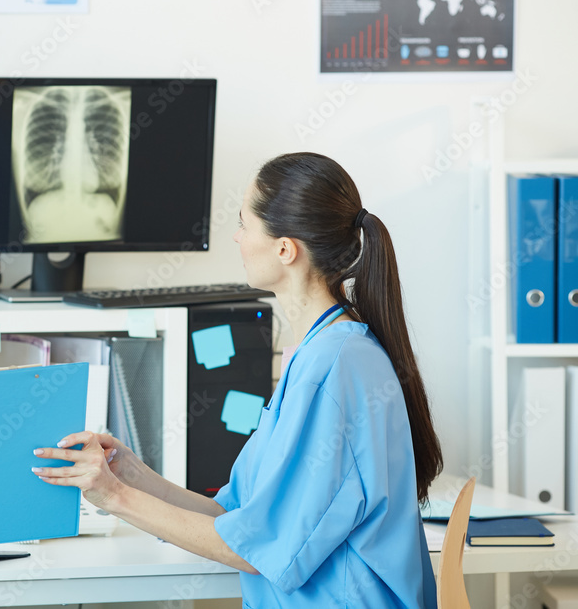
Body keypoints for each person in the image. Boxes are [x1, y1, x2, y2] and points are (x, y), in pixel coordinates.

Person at [34, 152, 444, 607]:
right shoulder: (319, 353)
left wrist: (112, 498)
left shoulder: (335, 367)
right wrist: (129, 475)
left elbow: (258, 548)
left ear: (285, 249)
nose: (237, 237)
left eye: (244, 224)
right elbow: (235, 517)